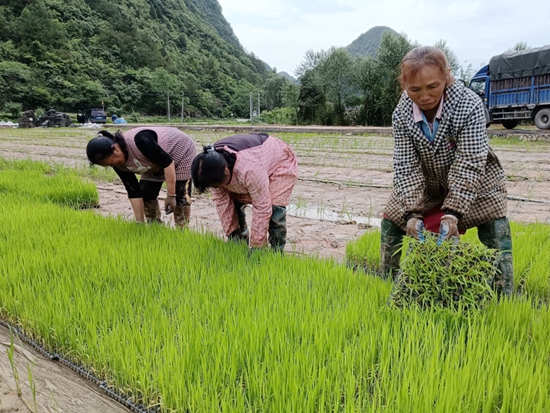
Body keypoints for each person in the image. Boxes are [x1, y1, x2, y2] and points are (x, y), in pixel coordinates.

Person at [381, 46, 513, 296]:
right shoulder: (401, 113)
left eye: (433, 86)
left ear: (446, 78)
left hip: (477, 182)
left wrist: (452, 212)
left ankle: (504, 295)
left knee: (496, 226)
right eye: (415, 90)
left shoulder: (468, 104)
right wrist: (411, 212)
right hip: (429, 183)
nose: (425, 97)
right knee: (392, 221)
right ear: (404, 86)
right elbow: (405, 164)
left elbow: (470, 161)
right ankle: (391, 284)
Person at [191, 133, 298, 252]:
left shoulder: (249, 169)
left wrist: (257, 246)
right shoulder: (210, 167)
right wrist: (232, 233)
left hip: (279, 161)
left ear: (225, 171)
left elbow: (262, 207)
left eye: (220, 185)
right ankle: (239, 245)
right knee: (234, 205)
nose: (219, 188)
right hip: (253, 164)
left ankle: (277, 253)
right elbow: (223, 204)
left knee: (275, 210)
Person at [86, 127, 196, 228]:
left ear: (115, 148)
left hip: (180, 149)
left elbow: (167, 163)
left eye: (111, 161)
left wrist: (171, 195)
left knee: (181, 195)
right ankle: (155, 227)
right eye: (109, 165)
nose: (113, 165)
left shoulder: (141, 141)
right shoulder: (117, 164)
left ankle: (182, 230)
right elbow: (133, 191)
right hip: (152, 161)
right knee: (146, 193)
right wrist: (139, 223)